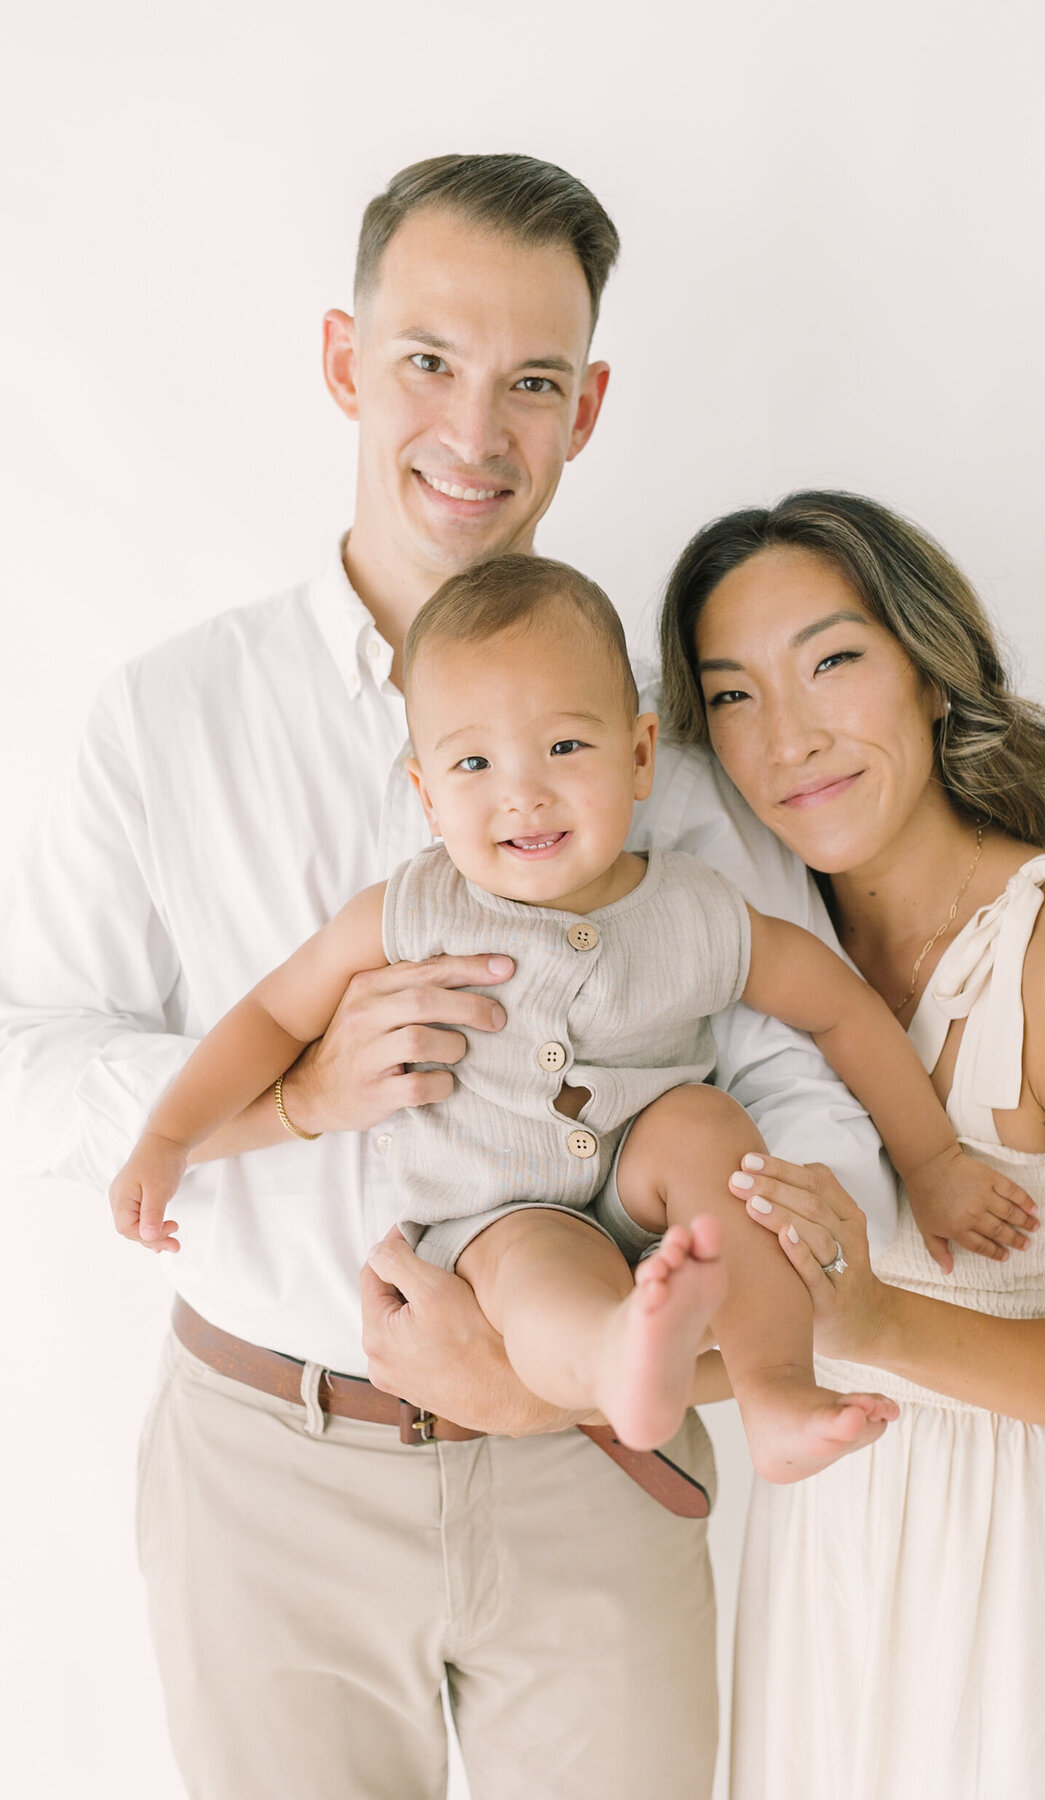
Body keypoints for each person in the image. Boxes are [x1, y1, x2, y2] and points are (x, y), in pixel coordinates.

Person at [0, 157, 896, 1799]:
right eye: (428, 361)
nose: (476, 434)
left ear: (587, 407)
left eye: (532, 382)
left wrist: (652, 1365)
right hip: (264, 1472)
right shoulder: (169, 716)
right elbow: (22, 1069)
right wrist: (287, 1097)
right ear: (346, 362)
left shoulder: (650, 749)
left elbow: (810, 1101)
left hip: (598, 1471)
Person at [110, 552, 1041, 1480]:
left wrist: (933, 1160)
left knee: (711, 1129)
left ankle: (776, 1396)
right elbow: (272, 1016)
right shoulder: (412, 909)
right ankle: (619, 1356)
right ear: (427, 795)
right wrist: (171, 1135)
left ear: (639, 757)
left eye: (564, 748)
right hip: (494, 1212)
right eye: (474, 762)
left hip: (651, 1185)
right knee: (539, 1269)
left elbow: (842, 1009)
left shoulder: (695, 908)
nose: (524, 792)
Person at [654, 487, 1045, 1799]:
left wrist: (881, 1329)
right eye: (732, 697)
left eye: (831, 661)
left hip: (1031, 1590)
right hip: (827, 1578)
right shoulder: (753, 984)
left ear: (931, 672)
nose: (788, 736)